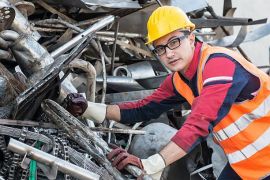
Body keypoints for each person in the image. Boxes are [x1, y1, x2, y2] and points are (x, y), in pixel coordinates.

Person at [65, 6, 270, 180]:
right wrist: (89, 108)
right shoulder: (180, 79)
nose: (168, 53)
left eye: (174, 42)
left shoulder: (219, 65)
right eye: (160, 48)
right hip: (247, 165)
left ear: (191, 37)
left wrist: (151, 164)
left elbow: (199, 123)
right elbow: (143, 108)